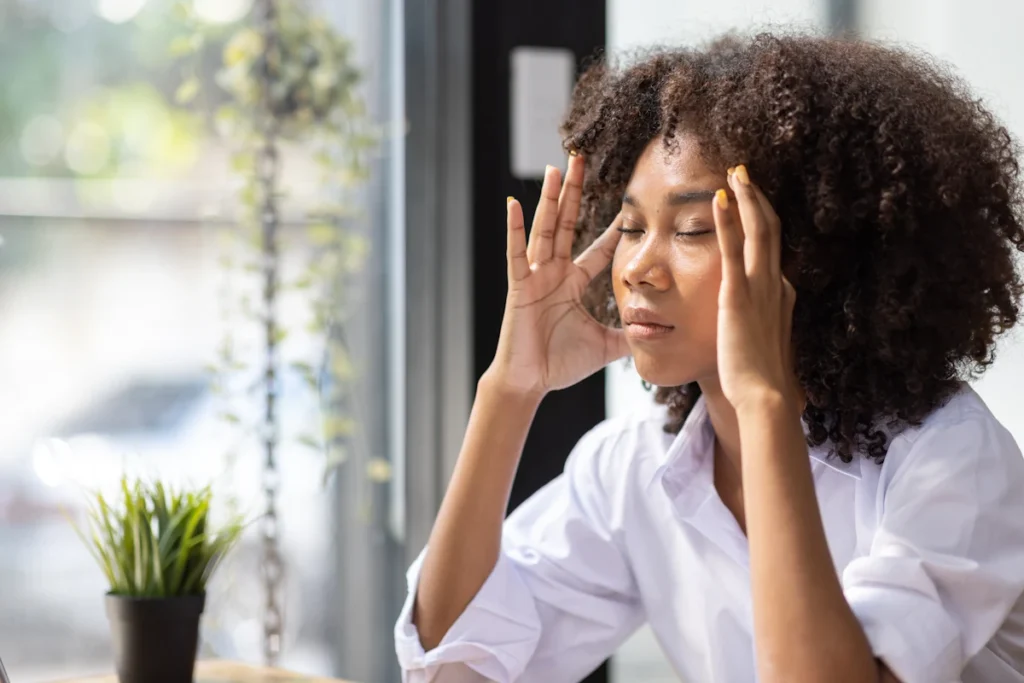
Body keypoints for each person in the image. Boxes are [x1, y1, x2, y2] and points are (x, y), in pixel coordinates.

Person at [394, 33, 1024, 683]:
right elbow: (454, 664)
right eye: (632, 226)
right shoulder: (637, 466)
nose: (637, 268)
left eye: (693, 230)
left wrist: (763, 401)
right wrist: (510, 388)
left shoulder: (950, 456)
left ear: (809, 258)